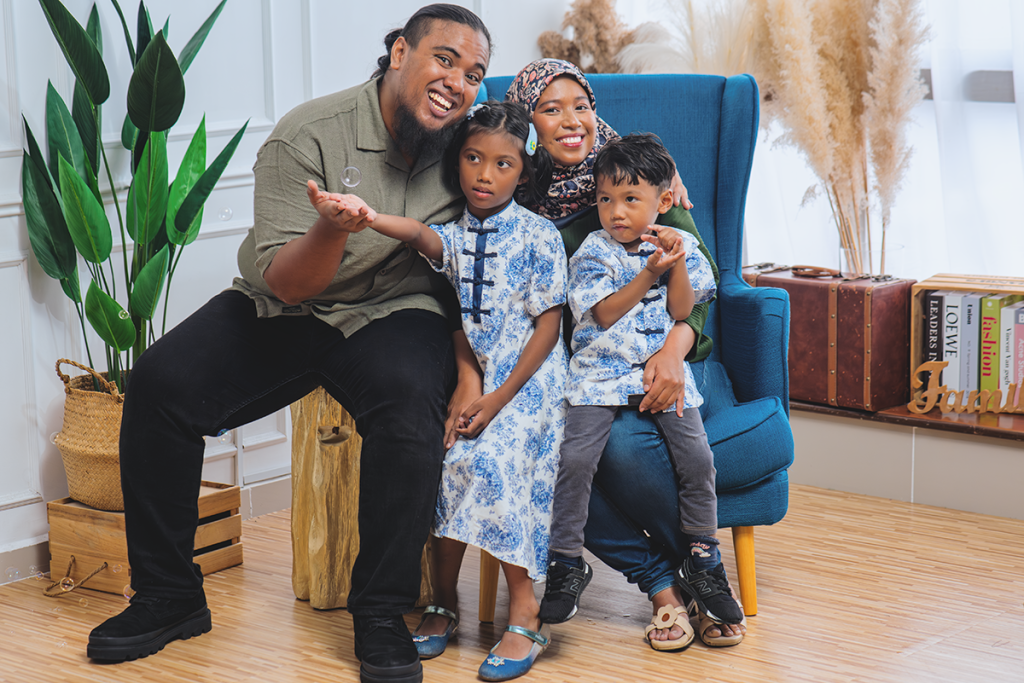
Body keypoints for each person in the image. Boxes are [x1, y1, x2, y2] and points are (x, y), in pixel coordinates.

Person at [86, 6, 492, 683]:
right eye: (444, 59)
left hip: (394, 309)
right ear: (399, 52)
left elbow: (562, 140)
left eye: (474, 73)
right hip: (287, 300)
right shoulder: (307, 134)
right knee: (159, 383)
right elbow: (288, 283)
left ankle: (380, 612)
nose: (458, 81)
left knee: (408, 405)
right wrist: (331, 228)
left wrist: (669, 191)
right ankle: (168, 595)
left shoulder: (466, 143)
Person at [309, 100, 567, 682]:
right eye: (473, 158)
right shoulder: (454, 235)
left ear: (524, 172)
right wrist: (367, 216)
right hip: (475, 375)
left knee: (492, 460)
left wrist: (497, 399)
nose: (484, 174)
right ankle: (443, 601)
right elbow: (420, 236)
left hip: (530, 380)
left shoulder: (540, 236)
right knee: (443, 459)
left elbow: (549, 330)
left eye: (502, 164)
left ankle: (526, 613)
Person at [505, 59, 746, 648]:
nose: (572, 121)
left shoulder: (638, 178)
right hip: (582, 366)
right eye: (550, 109)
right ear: (527, 124)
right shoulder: (519, 198)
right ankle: (662, 584)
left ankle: (699, 571)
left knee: (643, 452)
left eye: (581, 106)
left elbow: (698, 298)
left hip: (665, 353)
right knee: (559, 455)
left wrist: (673, 351)